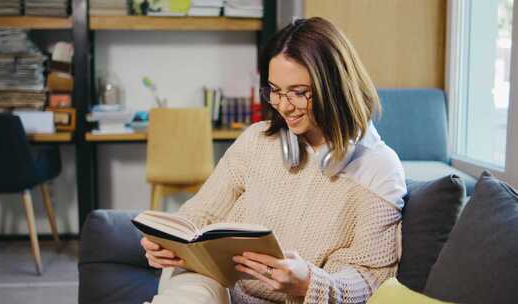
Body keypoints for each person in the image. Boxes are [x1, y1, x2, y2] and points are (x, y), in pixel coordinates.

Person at [141, 17, 406, 304]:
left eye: (299, 93)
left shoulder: (379, 170)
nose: (283, 105)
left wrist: (308, 283)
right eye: (275, 91)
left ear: (334, 87)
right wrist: (168, 241)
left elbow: (373, 279)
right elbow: (201, 214)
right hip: (212, 285)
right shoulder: (257, 140)